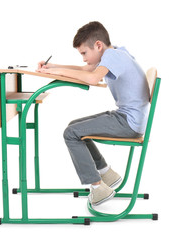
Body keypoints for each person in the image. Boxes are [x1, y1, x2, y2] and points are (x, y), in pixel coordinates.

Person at [37, 21, 150, 206]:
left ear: (98, 45)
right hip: (130, 119)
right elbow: (86, 70)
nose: (83, 59)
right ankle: (106, 173)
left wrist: (57, 71)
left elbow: (91, 77)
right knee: (75, 126)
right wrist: (52, 67)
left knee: (70, 133)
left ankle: (98, 188)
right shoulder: (117, 52)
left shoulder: (113, 55)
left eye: (84, 53)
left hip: (128, 123)